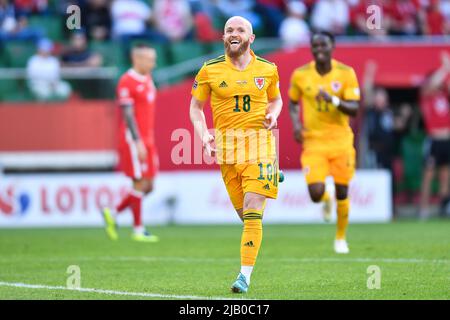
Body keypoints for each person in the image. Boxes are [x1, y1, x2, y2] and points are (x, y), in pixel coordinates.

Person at [190, 16, 283, 293]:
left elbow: (276, 98)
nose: (234, 33)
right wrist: (203, 134)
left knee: (254, 208)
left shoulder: (268, 69)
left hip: (260, 144)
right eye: (229, 29)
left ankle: (244, 277)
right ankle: (271, 177)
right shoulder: (209, 70)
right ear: (223, 37)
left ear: (250, 38)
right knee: (247, 218)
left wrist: (273, 114)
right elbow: (195, 108)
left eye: (240, 29)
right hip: (227, 151)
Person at [288, 31, 360, 254]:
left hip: (340, 140)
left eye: (323, 45)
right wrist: (296, 125)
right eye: (315, 46)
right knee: (315, 193)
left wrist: (333, 99)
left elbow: (354, 108)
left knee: (342, 191)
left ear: (333, 46)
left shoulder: (346, 73)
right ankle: (325, 199)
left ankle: (340, 238)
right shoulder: (301, 75)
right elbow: (292, 102)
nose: (319, 49)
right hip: (314, 141)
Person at [102, 43, 159, 243]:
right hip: (134, 139)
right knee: (139, 181)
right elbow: (128, 114)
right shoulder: (126, 81)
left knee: (149, 185)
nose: (153, 63)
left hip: (149, 138)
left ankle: (114, 213)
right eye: (150, 59)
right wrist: (137, 141)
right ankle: (138, 229)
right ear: (137, 59)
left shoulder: (148, 78)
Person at [418, 51, 450, 219]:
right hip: (434, 140)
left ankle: (443, 207)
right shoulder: (426, 96)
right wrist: (445, 68)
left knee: (445, 175)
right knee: (428, 176)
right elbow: (431, 84)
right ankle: (423, 209)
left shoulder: (444, 95)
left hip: (447, 139)